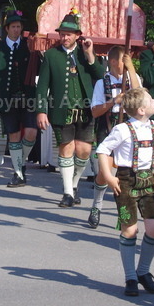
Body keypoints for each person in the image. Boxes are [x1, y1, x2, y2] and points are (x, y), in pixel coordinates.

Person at [96, 88, 154, 296]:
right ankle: (130, 277)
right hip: (126, 181)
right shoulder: (122, 129)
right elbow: (102, 150)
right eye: (150, 100)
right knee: (130, 230)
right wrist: (108, 176)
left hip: (149, 180)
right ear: (141, 110)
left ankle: (143, 272)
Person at [35, 11, 106, 207]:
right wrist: (41, 110)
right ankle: (67, 193)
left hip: (85, 110)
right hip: (60, 110)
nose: (65, 37)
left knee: (84, 151)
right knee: (66, 148)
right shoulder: (51, 55)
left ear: (77, 35)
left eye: (68, 34)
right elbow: (42, 85)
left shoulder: (85, 54)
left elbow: (100, 75)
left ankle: (73, 185)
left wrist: (90, 54)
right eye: (62, 34)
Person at [87, 45, 140, 228]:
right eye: (124, 60)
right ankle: (97, 204)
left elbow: (140, 96)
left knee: (127, 174)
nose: (126, 63)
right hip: (109, 127)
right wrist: (113, 101)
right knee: (105, 172)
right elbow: (95, 111)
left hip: (130, 129)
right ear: (114, 62)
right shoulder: (102, 83)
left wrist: (131, 69)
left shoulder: (132, 78)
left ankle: (124, 212)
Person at [0, 10, 37, 188]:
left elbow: (38, 69)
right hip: (6, 99)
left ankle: (20, 162)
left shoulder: (29, 46)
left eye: (19, 27)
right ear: (6, 29)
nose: (16, 30)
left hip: (28, 98)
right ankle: (18, 173)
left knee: (31, 132)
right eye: (13, 26)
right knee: (13, 135)